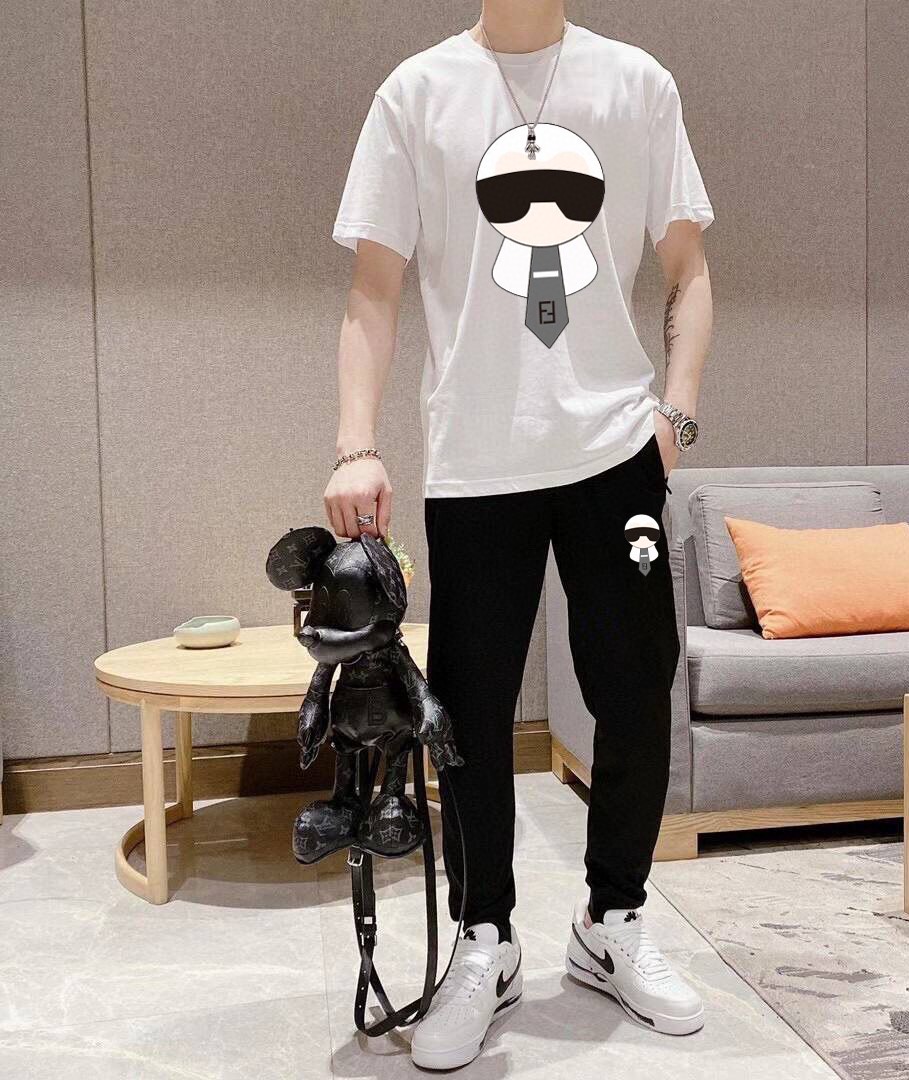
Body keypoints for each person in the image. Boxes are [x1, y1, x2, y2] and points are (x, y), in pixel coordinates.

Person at [325, 1, 713, 1068]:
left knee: (635, 686)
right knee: (470, 710)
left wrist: (675, 416)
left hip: (614, 451)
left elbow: (687, 266)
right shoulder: (415, 94)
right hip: (477, 462)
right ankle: (484, 939)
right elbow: (372, 291)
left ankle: (612, 920)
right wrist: (356, 444)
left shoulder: (637, 83)